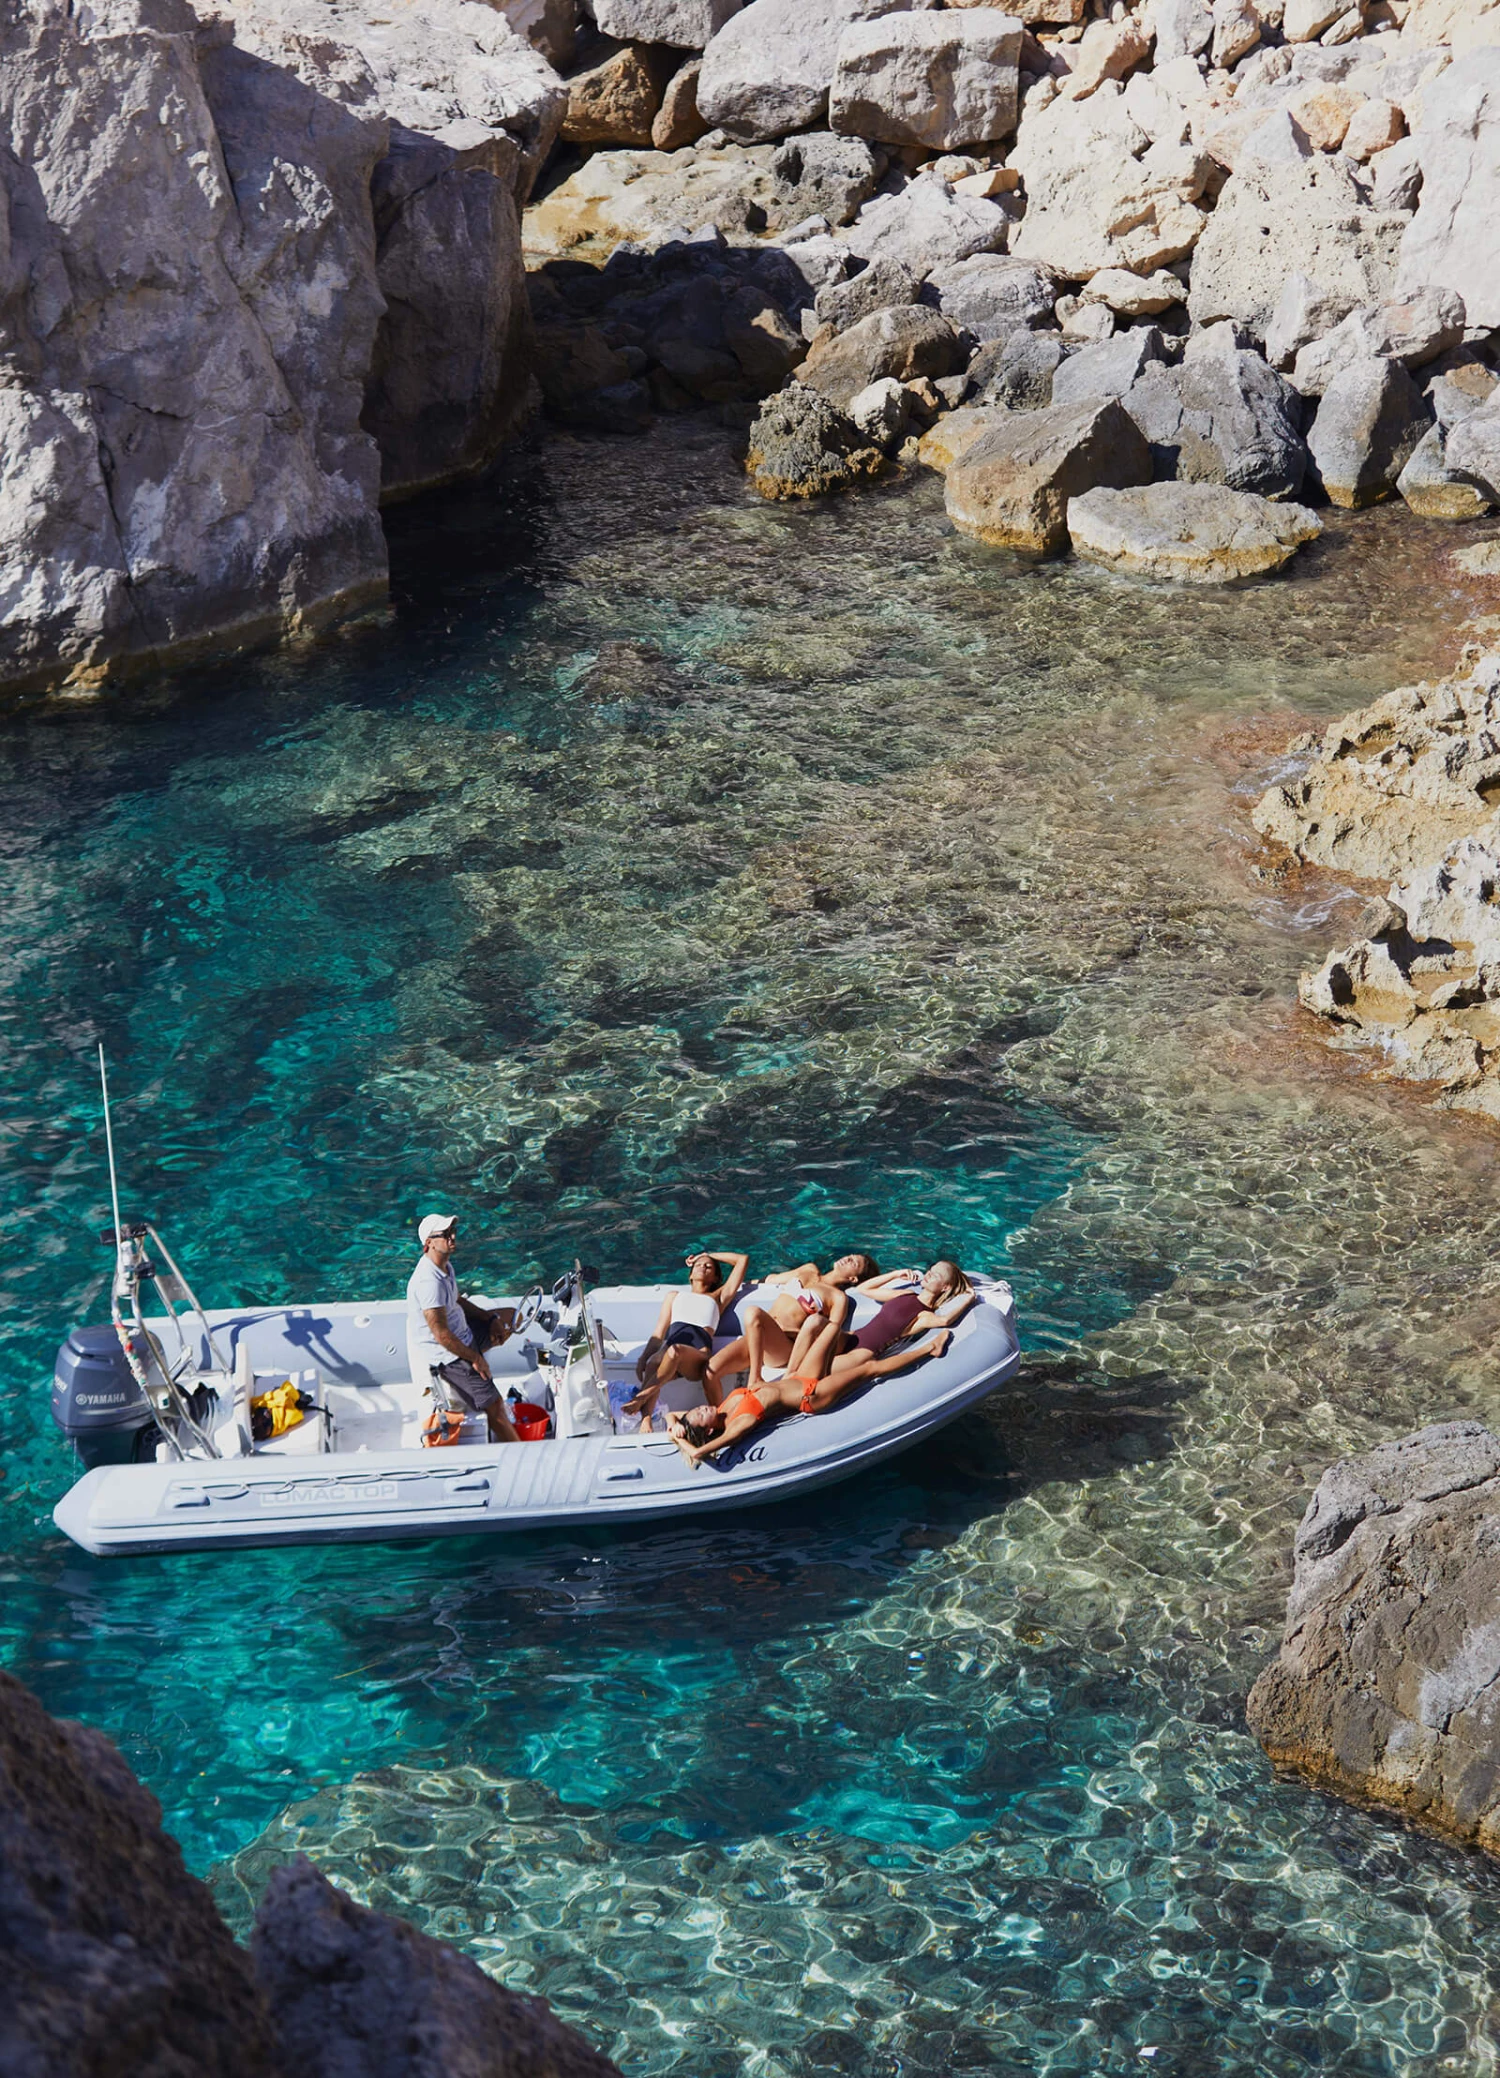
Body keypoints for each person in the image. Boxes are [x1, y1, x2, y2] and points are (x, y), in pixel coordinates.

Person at [801, 1260, 977, 1412]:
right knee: (814, 1332)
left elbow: (945, 1320)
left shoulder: (923, 1315)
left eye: (936, 1275)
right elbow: (864, 1288)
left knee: (807, 1376)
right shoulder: (906, 1294)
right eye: (931, 1269)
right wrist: (896, 1274)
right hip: (851, 1337)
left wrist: (968, 1299)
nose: (929, 1274)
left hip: (861, 1354)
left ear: (945, 1287)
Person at [405, 1214, 519, 1443]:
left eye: (453, 1231)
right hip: (448, 1355)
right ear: (429, 1243)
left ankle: (479, 1351)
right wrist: (475, 1359)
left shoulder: (445, 1266)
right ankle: (520, 1453)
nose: (453, 1237)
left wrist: (490, 1318)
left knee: (512, 1318)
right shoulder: (429, 1283)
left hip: (464, 1332)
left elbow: (457, 1300)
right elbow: (441, 1335)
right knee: (496, 1408)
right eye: (445, 1234)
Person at [706, 1252, 879, 1399]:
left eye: (853, 1262)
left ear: (853, 1278)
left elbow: (830, 1335)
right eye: (850, 1256)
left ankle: (755, 1379)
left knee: (753, 1313)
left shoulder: (837, 1298)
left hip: (782, 1347)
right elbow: (772, 1279)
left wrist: (801, 1332)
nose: (847, 1258)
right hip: (758, 1335)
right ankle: (717, 1419)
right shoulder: (808, 1269)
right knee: (710, 1372)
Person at [622, 1247, 750, 1429]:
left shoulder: (718, 1297)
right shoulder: (674, 1297)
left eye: (708, 1266)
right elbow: (658, 1333)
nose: (703, 1267)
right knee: (653, 1361)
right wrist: (643, 1357)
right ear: (690, 1276)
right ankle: (646, 1420)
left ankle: (641, 1398)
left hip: (695, 1358)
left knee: (674, 1351)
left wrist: (706, 1255)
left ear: (715, 1278)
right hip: (669, 1353)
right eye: (699, 1265)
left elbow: (742, 1260)